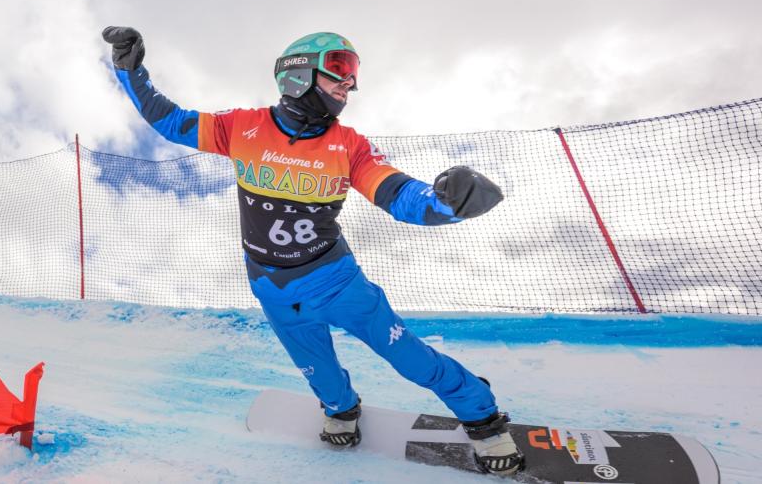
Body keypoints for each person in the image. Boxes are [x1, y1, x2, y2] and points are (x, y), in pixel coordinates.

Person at [103, 27, 525, 476]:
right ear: (298, 74)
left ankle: (482, 417)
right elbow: (169, 121)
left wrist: (445, 205)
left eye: (353, 74)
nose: (350, 85)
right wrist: (130, 69)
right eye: (340, 70)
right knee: (317, 369)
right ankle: (341, 410)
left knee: (409, 357)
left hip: (336, 281)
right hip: (271, 285)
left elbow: (398, 195)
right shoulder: (241, 126)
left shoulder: (349, 145)